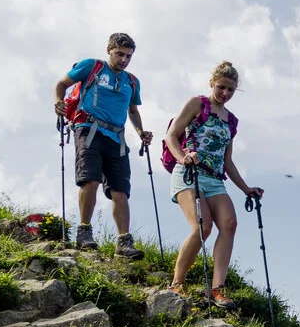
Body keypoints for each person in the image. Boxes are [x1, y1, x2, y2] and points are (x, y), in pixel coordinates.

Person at [163, 61, 263, 309]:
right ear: (212, 83)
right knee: (203, 226)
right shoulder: (198, 104)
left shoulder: (231, 121)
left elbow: (227, 161)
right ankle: (177, 283)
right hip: (189, 174)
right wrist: (182, 157)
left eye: (231, 90)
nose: (225, 94)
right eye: (221, 87)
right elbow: (171, 135)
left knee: (230, 224)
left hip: (215, 179)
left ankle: (218, 289)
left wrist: (245, 188)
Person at [53, 32, 151, 258]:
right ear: (109, 50)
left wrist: (141, 132)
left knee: (120, 190)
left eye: (128, 56)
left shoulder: (132, 82)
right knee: (90, 179)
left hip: (117, 137)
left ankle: (123, 243)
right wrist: (58, 101)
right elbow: (62, 84)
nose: (124, 60)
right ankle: (84, 232)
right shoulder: (91, 66)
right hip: (88, 128)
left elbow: (133, 110)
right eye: (119, 54)